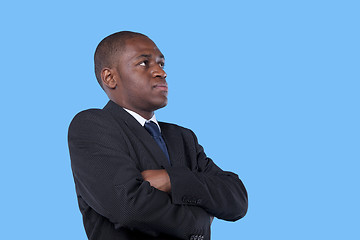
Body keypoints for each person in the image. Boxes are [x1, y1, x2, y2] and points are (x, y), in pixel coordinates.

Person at [68, 31, 248, 240]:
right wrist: (200, 219)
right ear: (110, 77)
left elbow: (236, 199)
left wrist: (170, 179)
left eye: (161, 64)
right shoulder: (92, 125)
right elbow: (129, 206)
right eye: (144, 63)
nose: (160, 72)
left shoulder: (183, 138)